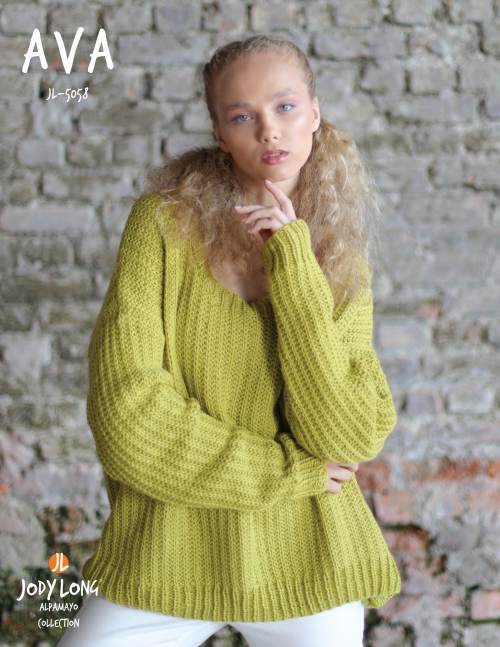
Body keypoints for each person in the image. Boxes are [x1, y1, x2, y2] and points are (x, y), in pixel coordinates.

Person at [58, 34, 401, 647]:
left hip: (308, 564)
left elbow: (344, 437)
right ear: (220, 133)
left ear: (314, 113)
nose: (269, 130)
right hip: (164, 557)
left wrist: (293, 266)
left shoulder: (338, 252)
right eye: (242, 116)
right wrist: (288, 471)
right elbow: (126, 417)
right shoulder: (162, 225)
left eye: (285, 107)